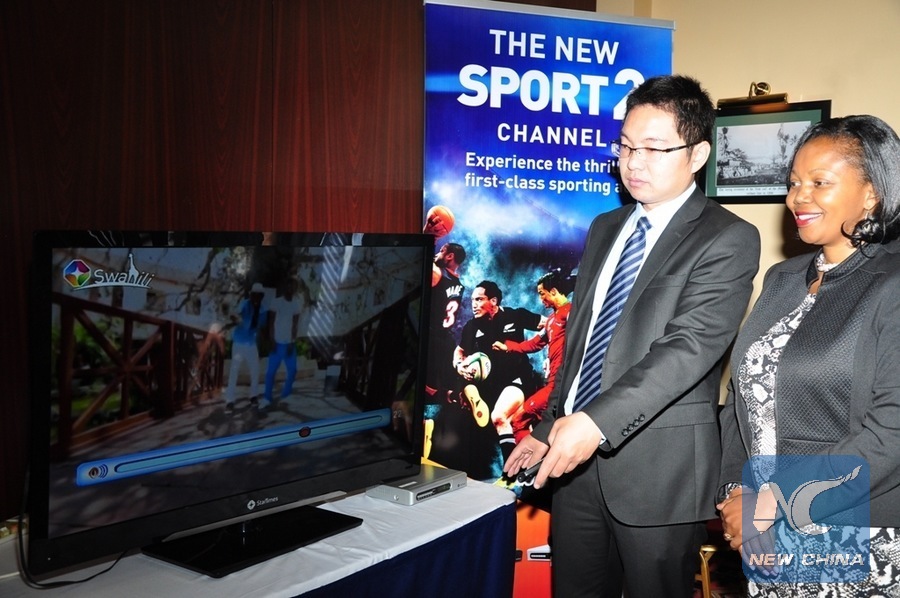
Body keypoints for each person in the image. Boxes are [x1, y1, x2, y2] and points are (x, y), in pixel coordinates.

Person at [503, 74, 760, 597]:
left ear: (697, 154)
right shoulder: (605, 226)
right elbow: (580, 341)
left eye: (654, 148)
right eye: (625, 146)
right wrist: (549, 426)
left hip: (657, 472)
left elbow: (688, 349)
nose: (633, 162)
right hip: (573, 465)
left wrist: (594, 423)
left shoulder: (728, 237)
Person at [716, 115, 900, 595]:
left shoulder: (894, 284)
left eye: (820, 182)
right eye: (794, 182)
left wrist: (774, 502)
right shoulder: (781, 279)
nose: (799, 197)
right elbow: (741, 400)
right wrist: (737, 495)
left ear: (872, 193)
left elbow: (892, 431)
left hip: (854, 528)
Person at [453, 280, 543, 469]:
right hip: (493, 385)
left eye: (479, 299)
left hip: (518, 379)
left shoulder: (515, 316)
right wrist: (460, 366)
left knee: (500, 417)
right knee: (511, 425)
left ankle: (510, 473)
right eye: (472, 300)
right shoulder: (471, 327)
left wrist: (545, 351)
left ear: (493, 301)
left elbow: (551, 324)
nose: (474, 304)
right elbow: (459, 351)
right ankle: (524, 469)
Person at [491, 270, 571, 444]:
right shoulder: (551, 320)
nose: (540, 299)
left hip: (563, 383)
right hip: (552, 383)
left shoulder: (571, 312)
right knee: (525, 423)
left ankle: (527, 459)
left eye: (542, 293)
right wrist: (508, 347)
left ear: (553, 291)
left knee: (519, 421)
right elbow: (535, 343)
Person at [224, 282, 267, 413]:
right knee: (234, 371)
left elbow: (261, 327)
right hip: (239, 343)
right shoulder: (244, 304)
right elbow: (234, 314)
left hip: (251, 344)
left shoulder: (262, 310)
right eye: (254, 295)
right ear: (251, 295)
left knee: (255, 370)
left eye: (259, 295)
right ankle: (230, 401)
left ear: (261, 296)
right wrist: (237, 318)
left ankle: (253, 396)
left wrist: (264, 344)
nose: (256, 298)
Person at [263, 276, 303, 409]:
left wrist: (292, 341)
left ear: (296, 289)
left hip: (289, 344)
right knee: (271, 372)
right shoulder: (276, 302)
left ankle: (286, 394)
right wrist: (272, 340)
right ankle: (267, 397)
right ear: (286, 287)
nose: (291, 288)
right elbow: (271, 323)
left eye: (294, 286)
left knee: (293, 370)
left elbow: (295, 325)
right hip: (277, 342)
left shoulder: (296, 304)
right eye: (289, 285)